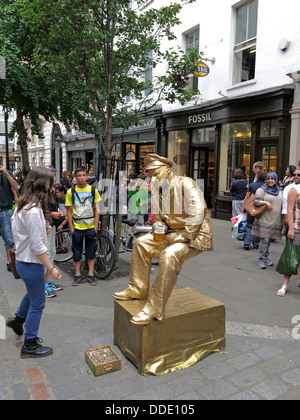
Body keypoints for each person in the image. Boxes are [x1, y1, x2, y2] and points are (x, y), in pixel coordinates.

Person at [113, 153, 213, 325]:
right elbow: (158, 216)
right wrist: (158, 228)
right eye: (150, 174)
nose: (153, 177)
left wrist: (187, 234)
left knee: (168, 256)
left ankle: (154, 308)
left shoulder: (185, 183)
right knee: (141, 243)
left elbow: (198, 211)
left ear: (167, 169)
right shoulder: (158, 187)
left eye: (156, 172)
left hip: (194, 236)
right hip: (170, 233)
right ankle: (138, 289)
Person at [6, 167, 61, 358]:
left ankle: (18, 321)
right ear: (43, 185)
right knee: (38, 303)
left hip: (25, 261)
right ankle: (30, 343)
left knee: (32, 294)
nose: (52, 188)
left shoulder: (26, 204)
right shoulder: (32, 210)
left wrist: (44, 227)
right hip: (30, 263)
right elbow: (38, 248)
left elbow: (25, 233)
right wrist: (51, 268)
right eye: (51, 184)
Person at [65, 166, 101, 287]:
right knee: (77, 252)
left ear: (87, 176)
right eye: (79, 175)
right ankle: (77, 274)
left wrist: (95, 227)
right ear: (75, 177)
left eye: (83, 175)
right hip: (77, 227)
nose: (82, 178)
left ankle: (91, 274)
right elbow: (69, 211)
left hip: (90, 226)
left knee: (91, 251)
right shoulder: (71, 191)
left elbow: (97, 210)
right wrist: (71, 227)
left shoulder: (92, 190)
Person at [251, 172, 283, 269]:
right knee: (264, 239)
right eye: (268, 179)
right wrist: (265, 202)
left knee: (269, 240)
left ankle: (265, 257)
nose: (270, 181)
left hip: (275, 220)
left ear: (275, 179)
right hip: (264, 219)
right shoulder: (261, 190)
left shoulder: (279, 190)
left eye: (272, 179)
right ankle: (261, 258)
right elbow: (255, 202)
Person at [277, 167, 300, 296]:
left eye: (299, 175)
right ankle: (284, 285)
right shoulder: (293, 190)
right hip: (297, 227)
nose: (296, 176)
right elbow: (290, 210)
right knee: (291, 257)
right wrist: (290, 228)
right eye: (295, 174)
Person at [0, 165, 18, 272]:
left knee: (9, 239)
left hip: (5, 210)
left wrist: (6, 173)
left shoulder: (7, 173)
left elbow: (15, 186)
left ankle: (10, 262)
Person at [243, 171, 266, 250]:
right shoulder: (266, 186)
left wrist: (244, 206)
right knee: (257, 226)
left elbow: (247, 196)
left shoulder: (252, 185)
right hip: (261, 208)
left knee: (249, 225)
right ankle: (256, 244)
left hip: (251, 207)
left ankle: (247, 242)